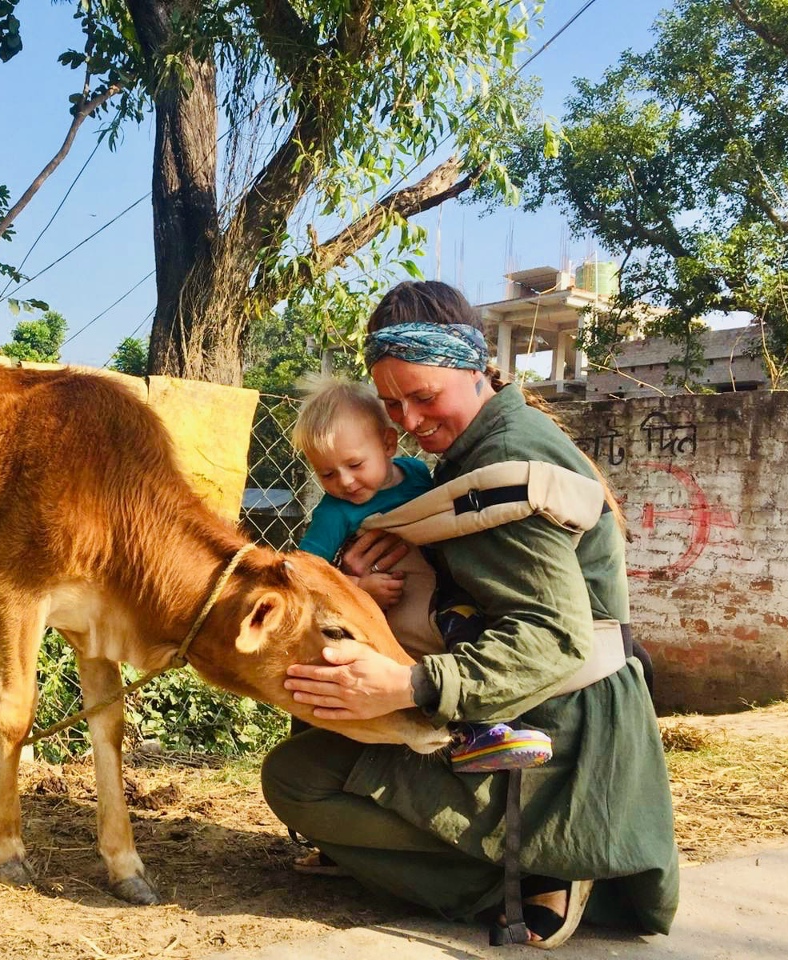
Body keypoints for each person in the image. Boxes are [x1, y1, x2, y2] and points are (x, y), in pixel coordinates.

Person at [262, 281, 678, 949]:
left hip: (559, 736)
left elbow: (555, 639)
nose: (411, 421)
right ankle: (522, 861)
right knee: (311, 750)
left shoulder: (507, 460)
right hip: (518, 707)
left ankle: (538, 870)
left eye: (424, 396)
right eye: (394, 404)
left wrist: (408, 687)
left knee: (295, 779)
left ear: (473, 366)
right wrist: (367, 587)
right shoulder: (474, 450)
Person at [290, 377, 554, 774]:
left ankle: (490, 723)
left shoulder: (416, 474)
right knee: (454, 633)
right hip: (401, 611)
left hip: (446, 586)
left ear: (388, 444)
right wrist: (358, 588)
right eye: (326, 474)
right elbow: (306, 573)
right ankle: (477, 731)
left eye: (355, 465)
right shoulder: (335, 513)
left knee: (475, 636)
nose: (344, 482)